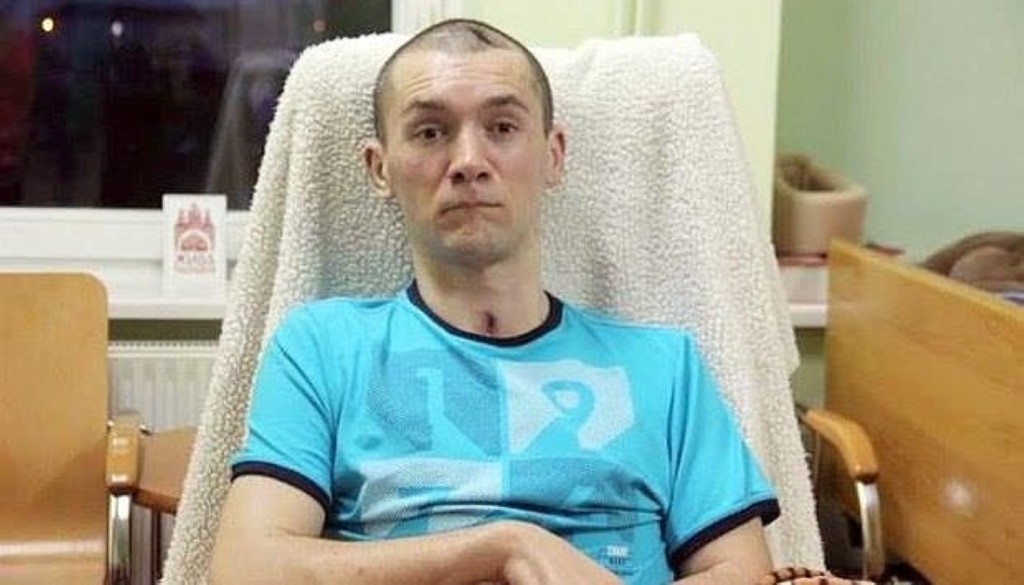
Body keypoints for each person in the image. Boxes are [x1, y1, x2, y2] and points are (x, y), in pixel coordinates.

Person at [210, 18, 780, 584]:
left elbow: (744, 574)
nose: (468, 161)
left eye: (502, 127)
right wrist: (507, 546)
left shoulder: (666, 368)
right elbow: (244, 571)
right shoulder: (321, 349)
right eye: (430, 132)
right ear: (379, 169)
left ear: (554, 155)